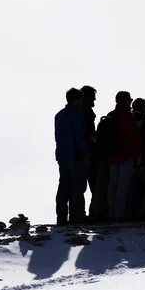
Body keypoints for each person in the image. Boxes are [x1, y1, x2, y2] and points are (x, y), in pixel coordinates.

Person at [54, 88, 90, 226]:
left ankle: (61, 217)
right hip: (75, 155)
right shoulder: (77, 115)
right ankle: (78, 216)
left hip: (62, 155)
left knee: (64, 186)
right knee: (78, 187)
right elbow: (80, 137)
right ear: (77, 99)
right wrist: (86, 154)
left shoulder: (59, 115)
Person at [107, 91, 142, 222]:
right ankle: (119, 214)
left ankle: (111, 212)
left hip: (112, 155)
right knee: (123, 185)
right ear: (127, 101)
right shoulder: (128, 116)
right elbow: (133, 137)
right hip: (126, 154)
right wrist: (138, 154)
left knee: (112, 185)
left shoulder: (111, 115)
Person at [127, 98, 145, 220]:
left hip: (128, 159)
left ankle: (131, 212)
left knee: (131, 189)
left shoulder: (128, 120)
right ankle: (143, 213)